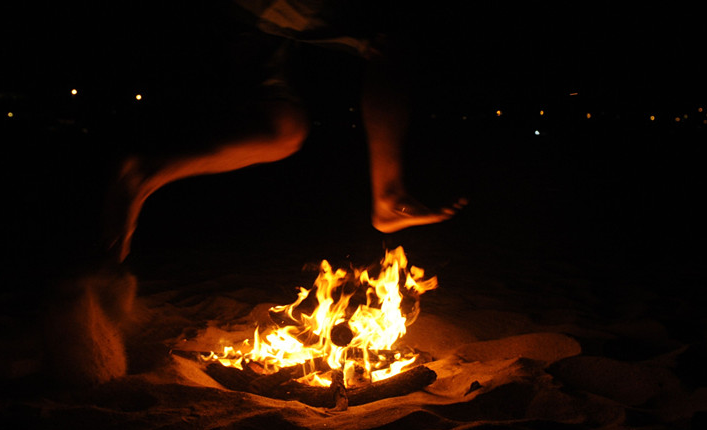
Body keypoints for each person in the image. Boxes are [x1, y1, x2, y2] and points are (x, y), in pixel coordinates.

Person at [100, 0, 463, 263]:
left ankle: (143, 174)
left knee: (281, 128)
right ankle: (389, 195)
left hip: (249, 25)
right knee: (389, 41)